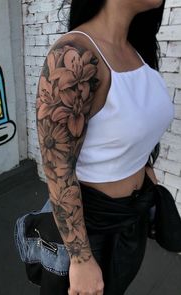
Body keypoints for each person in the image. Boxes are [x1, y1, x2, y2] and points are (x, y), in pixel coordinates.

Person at [35, 0, 174, 294]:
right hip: (89, 228)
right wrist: (81, 259)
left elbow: (134, 126)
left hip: (132, 217)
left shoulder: (136, 51)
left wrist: (145, 168)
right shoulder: (74, 56)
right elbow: (58, 168)